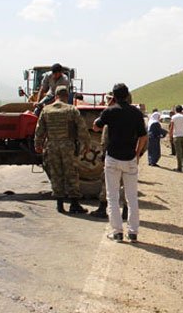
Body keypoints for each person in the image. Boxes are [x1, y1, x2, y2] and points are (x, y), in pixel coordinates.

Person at [93, 83, 147, 243]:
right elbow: (143, 136)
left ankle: (117, 232)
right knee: (131, 198)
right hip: (130, 159)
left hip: (113, 159)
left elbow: (96, 127)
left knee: (113, 197)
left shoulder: (110, 111)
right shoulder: (136, 113)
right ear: (127, 94)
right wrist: (137, 154)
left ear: (114, 96)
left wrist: (109, 106)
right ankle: (133, 232)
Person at [34, 86, 90, 214]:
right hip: (68, 146)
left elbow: (39, 130)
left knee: (56, 173)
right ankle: (74, 204)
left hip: (51, 146)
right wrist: (86, 144)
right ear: (66, 96)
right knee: (71, 173)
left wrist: (37, 144)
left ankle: (60, 205)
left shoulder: (46, 110)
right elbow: (82, 129)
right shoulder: (71, 110)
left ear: (55, 96)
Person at [169, 105, 183, 172]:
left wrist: (170, 136)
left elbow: (171, 128)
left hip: (176, 136)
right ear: (181, 110)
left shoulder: (173, 117)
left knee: (178, 152)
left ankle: (179, 167)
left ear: (176, 110)